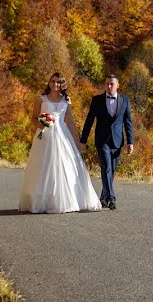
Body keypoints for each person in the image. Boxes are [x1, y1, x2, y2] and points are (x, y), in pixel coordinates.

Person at [19, 73, 102, 213]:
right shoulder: (41, 99)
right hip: (45, 136)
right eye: (53, 81)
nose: (55, 84)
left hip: (63, 136)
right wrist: (42, 124)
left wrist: (77, 142)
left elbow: (69, 121)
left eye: (58, 82)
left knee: (65, 166)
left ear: (62, 84)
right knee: (44, 167)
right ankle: (41, 200)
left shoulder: (66, 100)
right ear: (49, 82)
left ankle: (64, 199)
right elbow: (33, 118)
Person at [79, 74, 134, 210]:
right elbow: (89, 121)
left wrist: (130, 142)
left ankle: (103, 197)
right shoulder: (97, 100)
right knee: (107, 168)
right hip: (102, 140)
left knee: (111, 170)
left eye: (112, 84)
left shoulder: (125, 100)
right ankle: (111, 198)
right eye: (107, 83)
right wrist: (83, 140)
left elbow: (128, 122)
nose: (109, 86)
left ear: (117, 85)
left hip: (117, 141)